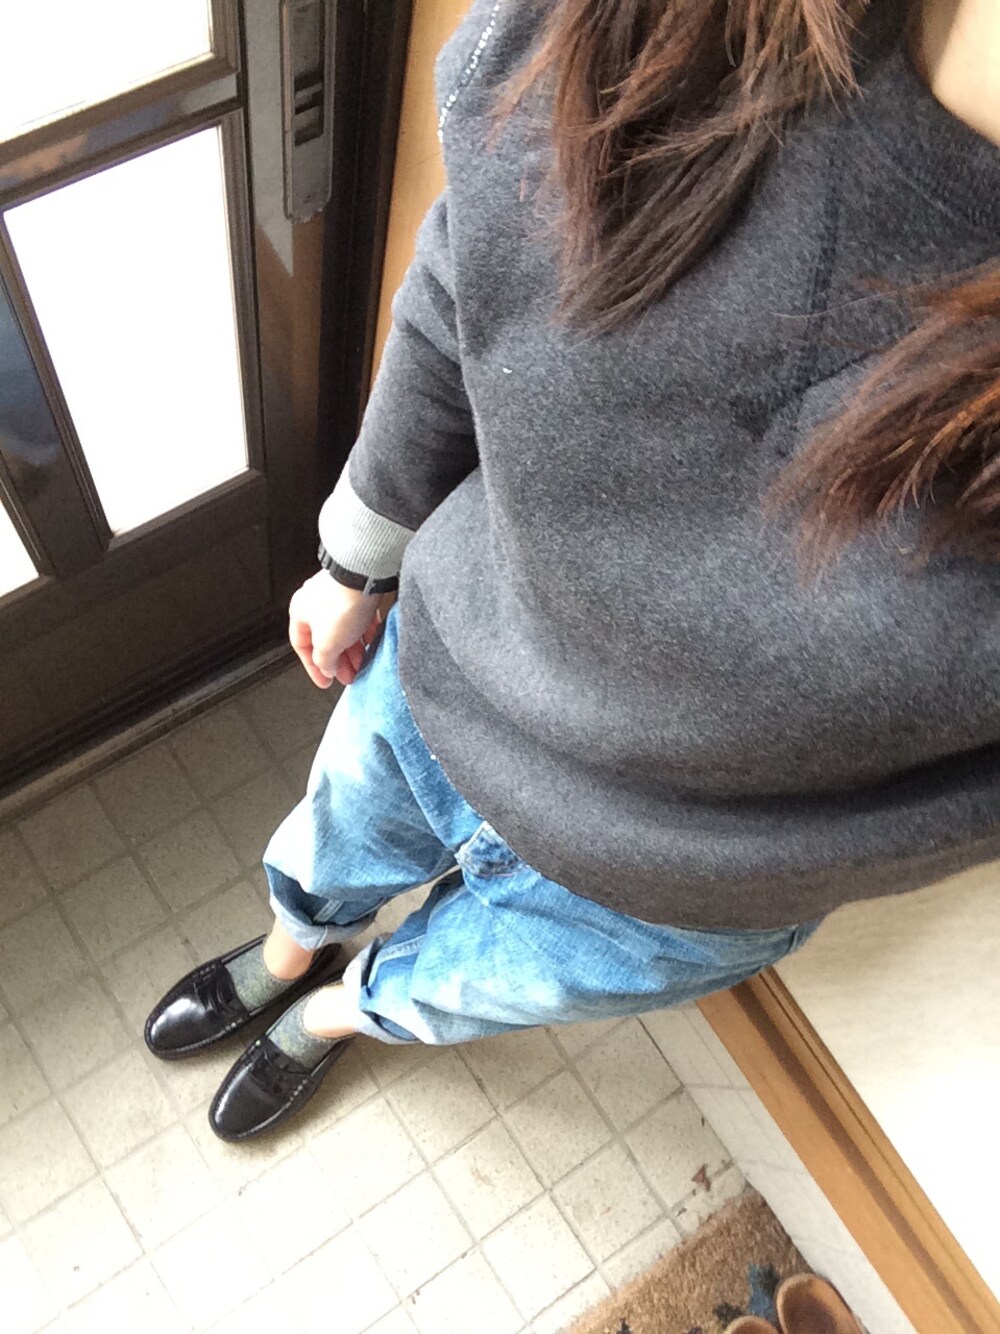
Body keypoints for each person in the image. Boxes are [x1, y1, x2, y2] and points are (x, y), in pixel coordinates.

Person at [145, 0, 1000, 1142]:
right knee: (330, 842)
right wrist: (359, 555)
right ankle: (291, 950)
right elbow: (471, 262)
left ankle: (337, 1013)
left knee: (459, 987)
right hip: (452, 664)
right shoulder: (679, 25)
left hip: (690, 887)